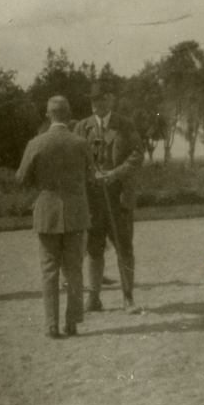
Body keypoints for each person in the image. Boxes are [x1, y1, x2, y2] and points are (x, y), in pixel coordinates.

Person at [16, 96, 94, 339]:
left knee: (49, 271)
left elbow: (20, 178)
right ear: (69, 114)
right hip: (76, 212)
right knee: (74, 270)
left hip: (47, 211)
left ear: (48, 115)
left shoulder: (36, 143)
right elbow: (92, 176)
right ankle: (72, 323)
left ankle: (52, 324)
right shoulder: (81, 143)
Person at [74, 81, 144, 314]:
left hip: (119, 199)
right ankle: (94, 298)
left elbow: (137, 155)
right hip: (94, 200)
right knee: (94, 250)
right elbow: (76, 159)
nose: (95, 104)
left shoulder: (125, 125)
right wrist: (91, 174)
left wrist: (115, 173)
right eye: (92, 100)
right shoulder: (82, 127)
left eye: (100, 99)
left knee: (124, 248)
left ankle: (128, 298)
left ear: (111, 100)